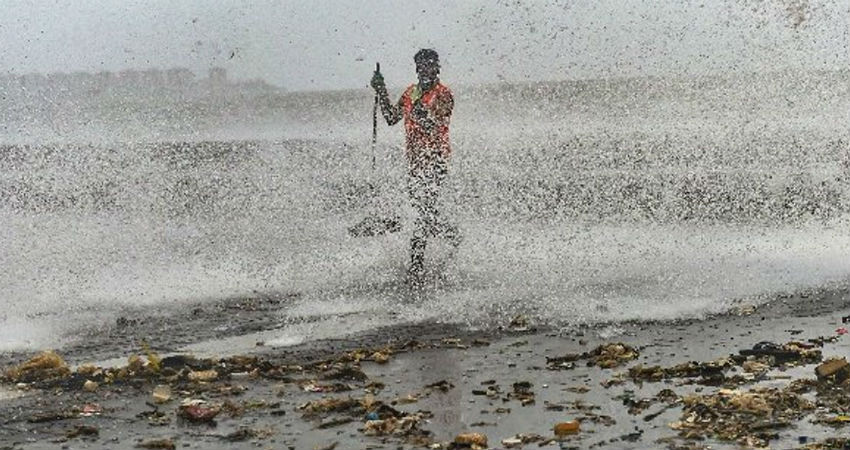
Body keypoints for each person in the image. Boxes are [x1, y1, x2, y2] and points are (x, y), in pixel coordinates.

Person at [370, 48, 461, 278]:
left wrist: (423, 116)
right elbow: (391, 118)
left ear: (437, 67)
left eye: (430, 65)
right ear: (417, 68)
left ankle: (416, 267)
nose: (425, 69)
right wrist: (381, 90)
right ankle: (452, 236)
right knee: (423, 212)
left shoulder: (444, 94)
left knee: (422, 215)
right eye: (421, 66)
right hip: (414, 163)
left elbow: (437, 123)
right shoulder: (411, 93)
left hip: (436, 161)